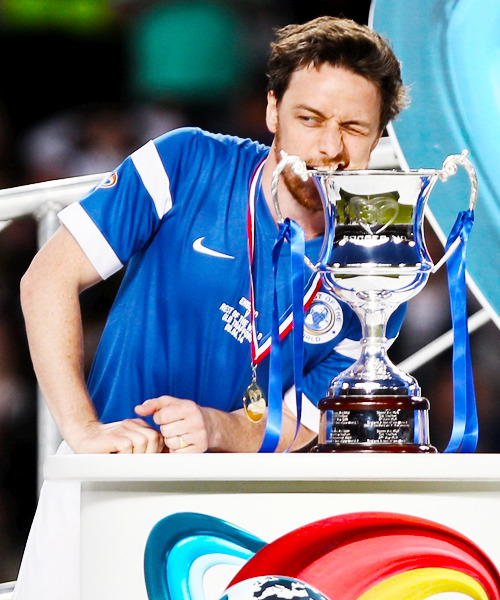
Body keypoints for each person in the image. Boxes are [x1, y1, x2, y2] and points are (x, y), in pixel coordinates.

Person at [14, 16, 408, 599]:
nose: (330, 148)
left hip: (237, 516)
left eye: (354, 127)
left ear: (379, 137)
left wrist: (218, 427)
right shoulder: (187, 161)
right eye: (310, 119)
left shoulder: (375, 260)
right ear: (273, 110)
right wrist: (83, 428)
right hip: (109, 475)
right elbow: (46, 279)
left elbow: (306, 418)